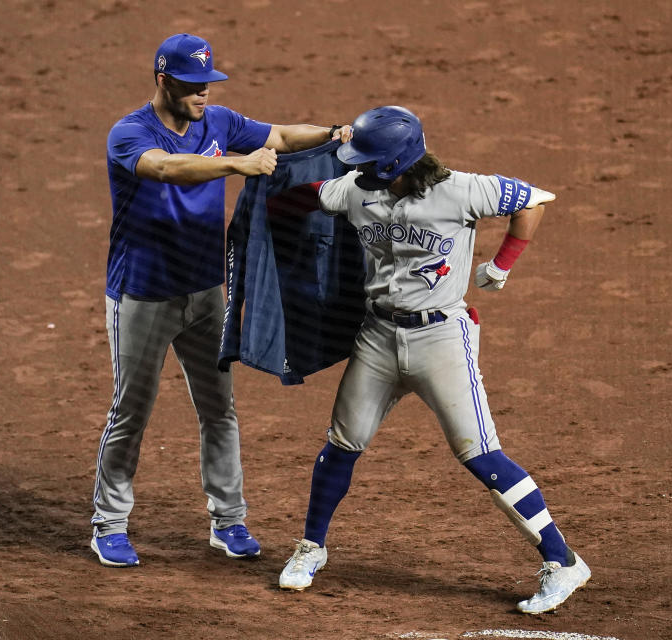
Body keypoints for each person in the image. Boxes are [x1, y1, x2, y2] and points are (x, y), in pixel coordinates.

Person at [275, 106, 591, 614]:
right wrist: (271, 205)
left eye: (369, 159)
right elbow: (306, 197)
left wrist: (502, 265)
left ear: (397, 159)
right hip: (376, 337)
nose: (358, 167)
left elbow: (533, 201)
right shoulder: (355, 189)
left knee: (481, 455)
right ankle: (311, 547)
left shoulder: (464, 190)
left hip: (441, 338)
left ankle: (563, 560)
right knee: (341, 444)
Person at [90, 33, 352, 567]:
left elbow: (277, 134)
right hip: (142, 295)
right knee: (131, 412)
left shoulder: (220, 121)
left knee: (219, 409)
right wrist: (238, 166)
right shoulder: (130, 133)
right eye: (192, 86)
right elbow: (163, 167)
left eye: (208, 84)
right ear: (164, 81)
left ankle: (228, 521)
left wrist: (330, 133)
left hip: (207, 291)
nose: (203, 95)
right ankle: (108, 525)